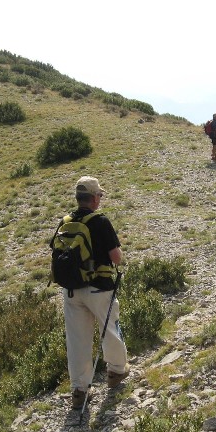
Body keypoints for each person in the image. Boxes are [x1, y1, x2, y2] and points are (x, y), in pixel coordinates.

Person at [63, 176, 129, 410]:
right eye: (99, 195)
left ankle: (79, 390)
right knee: (110, 329)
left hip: (71, 290)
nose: (100, 199)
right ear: (92, 198)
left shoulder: (66, 221)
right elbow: (116, 258)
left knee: (77, 340)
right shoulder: (100, 222)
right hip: (99, 288)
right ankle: (116, 372)